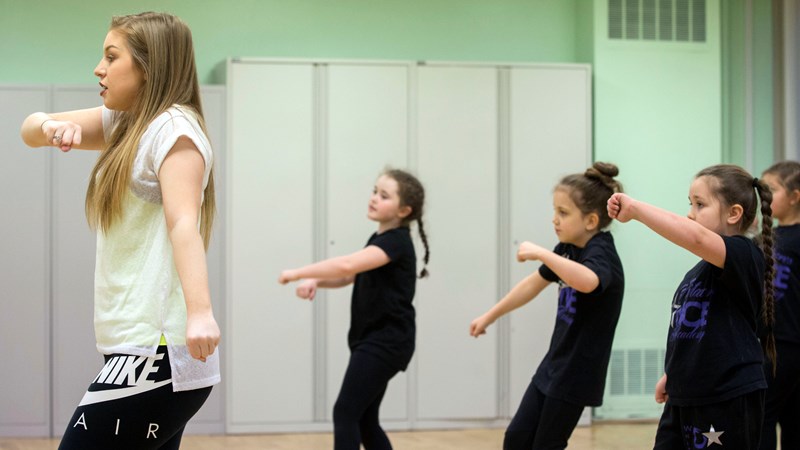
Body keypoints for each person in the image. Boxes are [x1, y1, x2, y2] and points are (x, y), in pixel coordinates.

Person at [20, 12, 220, 450]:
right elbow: (28, 129)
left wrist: (201, 311)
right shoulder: (128, 123)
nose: (99, 68)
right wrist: (51, 127)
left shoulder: (173, 130)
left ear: (150, 67)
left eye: (112, 57)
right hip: (136, 346)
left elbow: (183, 220)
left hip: (158, 351)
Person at [607, 164, 775, 450]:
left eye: (700, 205)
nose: (690, 213)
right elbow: (696, 331)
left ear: (734, 213)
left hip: (726, 397)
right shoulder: (699, 272)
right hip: (685, 395)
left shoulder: (745, 256)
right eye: (690, 204)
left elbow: (696, 237)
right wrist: (673, 374)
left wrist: (636, 210)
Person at [470, 162, 625, 450]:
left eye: (563, 213)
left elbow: (589, 281)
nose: (555, 220)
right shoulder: (567, 249)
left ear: (591, 221)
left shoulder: (601, 250)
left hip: (578, 373)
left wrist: (542, 253)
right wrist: (490, 316)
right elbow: (532, 285)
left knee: (547, 444)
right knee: (516, 438)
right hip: (554, 364)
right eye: (555, 211)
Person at [278, 169, 429, 450]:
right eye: (374, 191)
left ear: (404, 210)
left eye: (384, 196)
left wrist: (299, 272)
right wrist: (316, 281)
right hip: (375, 339)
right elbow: (350, 276)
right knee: (365, 419)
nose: (373, 198)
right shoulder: (380, 239)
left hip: (386, 341)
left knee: (345, 411)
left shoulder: (396, 242)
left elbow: (347, 265)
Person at [759, 160, 800, 450]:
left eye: (771, 190)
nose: (765, 197)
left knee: (780, 415)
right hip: (767, 341)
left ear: (794, 196)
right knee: (764, 416)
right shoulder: (765, 236)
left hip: (789, 343)